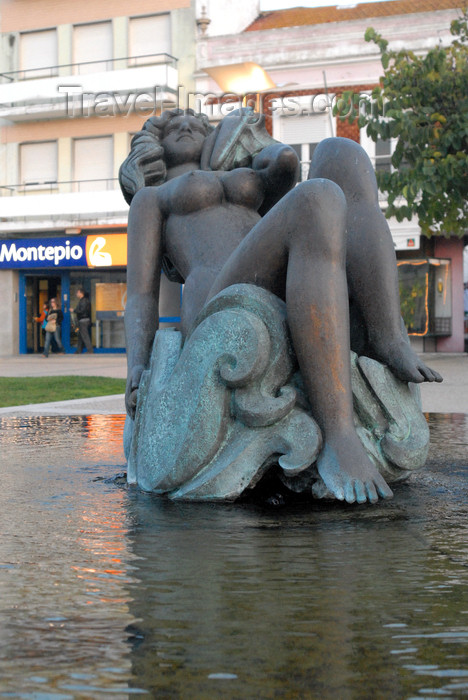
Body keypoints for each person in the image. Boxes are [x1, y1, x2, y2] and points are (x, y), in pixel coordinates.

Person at [120, 108, 442, 505]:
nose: (187, 126)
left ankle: (387, 336)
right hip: (221, 298)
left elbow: (286, 163)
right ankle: (338, 436)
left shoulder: (239, 172)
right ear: (153, 145)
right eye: (172, 126)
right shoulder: (152, 198)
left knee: (342, 154)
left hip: (284, 278)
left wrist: (251, 142)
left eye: (199, 125)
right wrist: (138, 366)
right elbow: (141, 294)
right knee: (316, 198)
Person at [72, 288, 93, 354]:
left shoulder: (83, 301)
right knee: (80, 336)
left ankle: (90, 350)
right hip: (83, 320)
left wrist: (74, 310)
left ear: (81, 293)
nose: (76, 294)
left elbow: (82, 310)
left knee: (85, 335)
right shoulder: (83, 300)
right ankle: (79, 350)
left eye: (77, 292)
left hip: (83, 320)